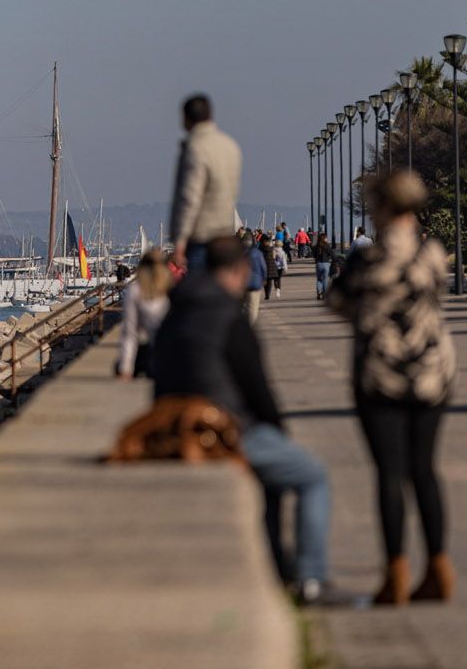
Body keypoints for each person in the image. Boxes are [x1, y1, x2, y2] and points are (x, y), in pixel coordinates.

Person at [152, 237, 335, 603]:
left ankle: (278, 563)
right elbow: (257, 388)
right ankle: (310, 579)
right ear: (239, 270)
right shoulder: (228, 316)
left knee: (272, 480)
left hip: (174, 425)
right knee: (312, 476)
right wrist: (278, 429)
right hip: (223, 429)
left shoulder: (176, 310)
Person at [328, 171, 457, 606]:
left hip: (380, 375)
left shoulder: (367, 259)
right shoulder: (432, 252)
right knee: (425, 470)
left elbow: (337, 301)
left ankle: (395, 574)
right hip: (432, 373)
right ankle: (439, 567)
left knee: (389, 474)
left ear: (380, 207)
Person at [167, 94, 242, 274]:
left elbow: (190, 197)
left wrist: (180, 240)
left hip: (201, 235)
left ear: (185, 118)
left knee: (198, 293)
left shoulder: (196, 148)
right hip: (225, 233)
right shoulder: (230, 145)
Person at [117, 248, 172, 379]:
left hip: (150, 351)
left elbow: (129, 331)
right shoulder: (171, 288)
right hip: (172, 350)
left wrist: (125, 367)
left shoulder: (135, 290)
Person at [246, 239, 267, 322]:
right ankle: (250, 322)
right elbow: (263, 267)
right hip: (255, 282)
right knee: (253, 305)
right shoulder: (258, 253)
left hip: (243, 282)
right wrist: (264, 278)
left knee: (244, 304)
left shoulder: (240, 253)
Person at [313, 233, 333, 300]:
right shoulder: (327, 246)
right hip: (326, 264)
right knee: (325, 279)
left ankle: (319, 291)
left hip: (319, 264)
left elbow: (314, 255)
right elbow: (332, 254)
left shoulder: (316, 247)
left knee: (319, 279)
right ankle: (324, 293)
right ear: (324, 239)